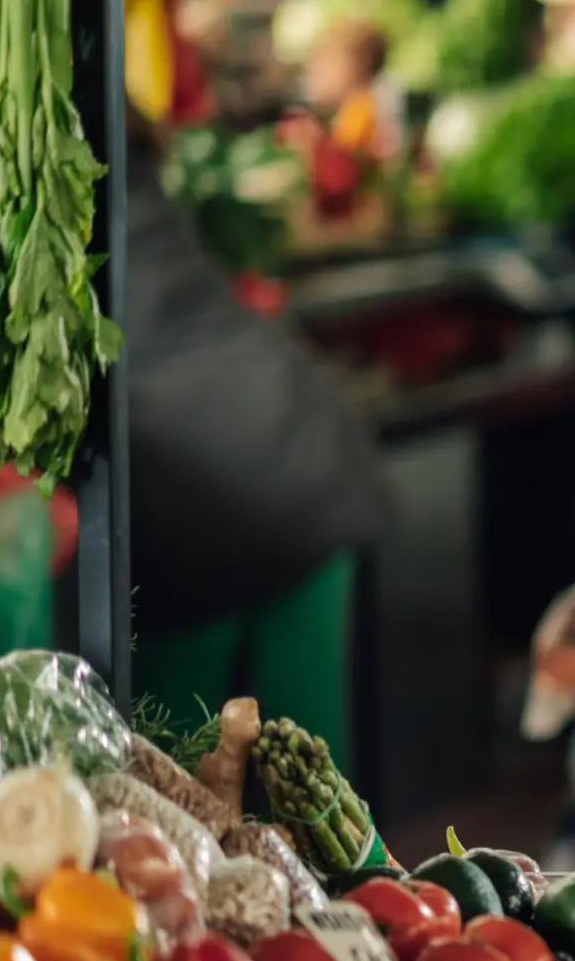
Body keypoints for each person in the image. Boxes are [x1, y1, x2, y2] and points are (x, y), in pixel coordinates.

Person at [126, 111, 390, 770]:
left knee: (177, 795)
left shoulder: (13, 185)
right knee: (316, 789)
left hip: (196, 496)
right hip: (294, 449)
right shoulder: (127, 164)